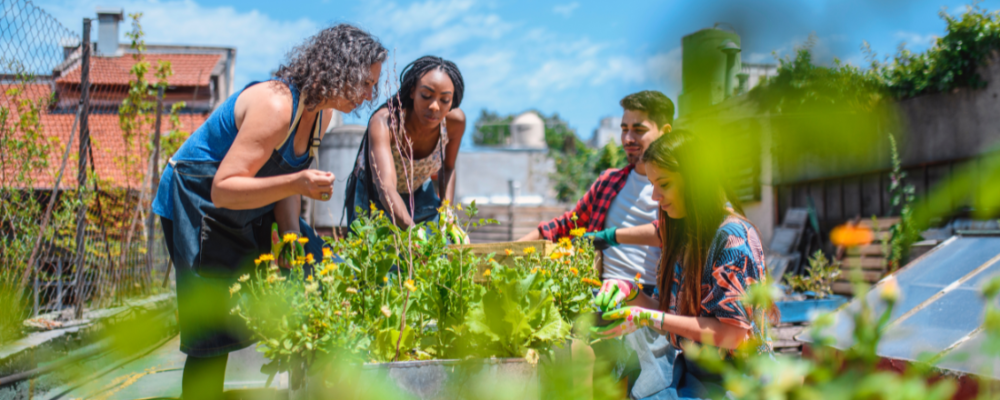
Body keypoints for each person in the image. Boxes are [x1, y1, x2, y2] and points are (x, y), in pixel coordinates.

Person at [150, 24, 386, 400]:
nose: (370, 95)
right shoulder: (276, 106)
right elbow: (224, 188)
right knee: (211, 333)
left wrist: (291, 241)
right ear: (342, 70)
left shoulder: (322, 117)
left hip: (247, 208)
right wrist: (297, 184)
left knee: (316, 268)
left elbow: (284, 184)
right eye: (365, 83)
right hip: (199, 206)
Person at [592, 133, 774, 400]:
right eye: (653, 184)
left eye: (663, 184)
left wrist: (648, 317)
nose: (655, 196)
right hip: (696, 374)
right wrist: (630, 292)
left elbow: (733, 335)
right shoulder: (684, 235)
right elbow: (672, 317)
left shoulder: (732, 239)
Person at [518, 91, 675, 393]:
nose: (628, 137)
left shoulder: (674, 188)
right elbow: (566, 225)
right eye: (623, 128)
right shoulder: (610, 182)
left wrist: (610, 237)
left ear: (665, 132)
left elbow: (673, 233)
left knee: (586, 354)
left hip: (649, 299)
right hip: (600, 294)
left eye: (639, 129)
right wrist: (507, 251)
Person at [346, 56, 466, 229]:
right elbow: (386, 186)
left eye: (445, 100)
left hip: (418, 191)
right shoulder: (386, 122)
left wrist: (447, 210)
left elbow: (448, 168)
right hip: (374, 194)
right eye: (426, 95)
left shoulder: (455, 123)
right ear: (412, 92)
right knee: (373, 253)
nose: (434, 106)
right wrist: (413, 234)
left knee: (440, 247)